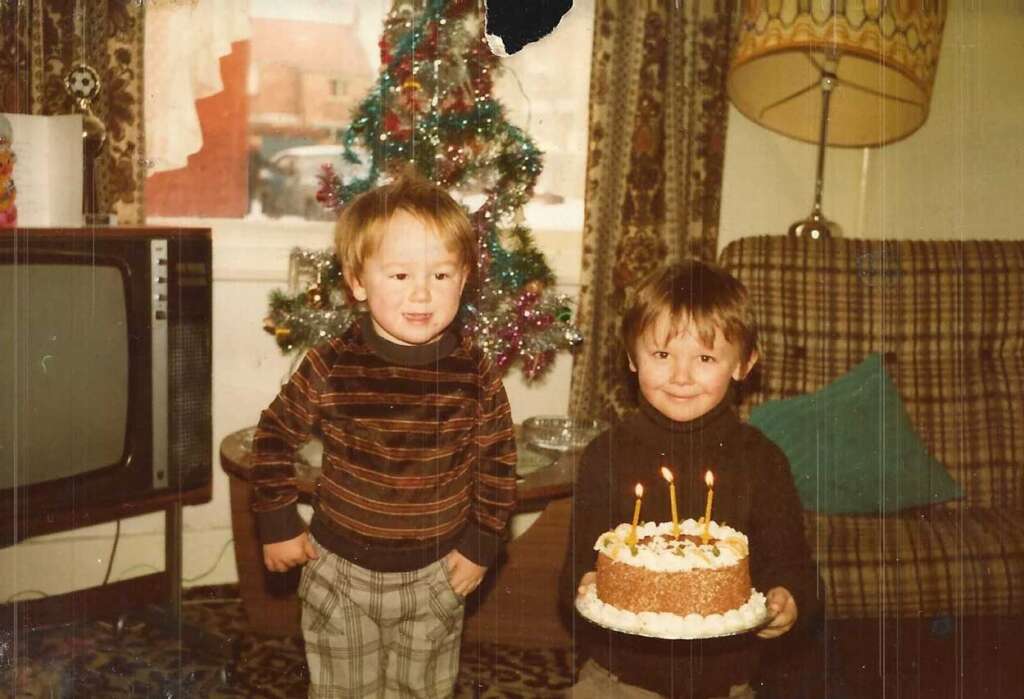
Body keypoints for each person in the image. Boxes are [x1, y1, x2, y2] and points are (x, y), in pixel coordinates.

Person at [250, 174, 518, 698]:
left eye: (441, 274)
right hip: (339, 572)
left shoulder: (475, 372)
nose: (421, 292)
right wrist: (278, 521)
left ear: (463, 280)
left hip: (438, 572)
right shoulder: (331, 363)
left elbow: (499, 463)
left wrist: (483, 542)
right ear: (357, 281)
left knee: (422, 690)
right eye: (398, 274)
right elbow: (274, 437)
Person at [560, 260, 820, 699]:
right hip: (620, 678)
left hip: (727, 682)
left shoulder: (762, 460)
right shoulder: (605, 455)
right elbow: (574, 572)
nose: (681, 377)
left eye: (704, 358)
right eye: (662, 355)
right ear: (631, 358)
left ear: (743, 363)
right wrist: (585, 584)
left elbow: (793, 566)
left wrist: (789, 600)